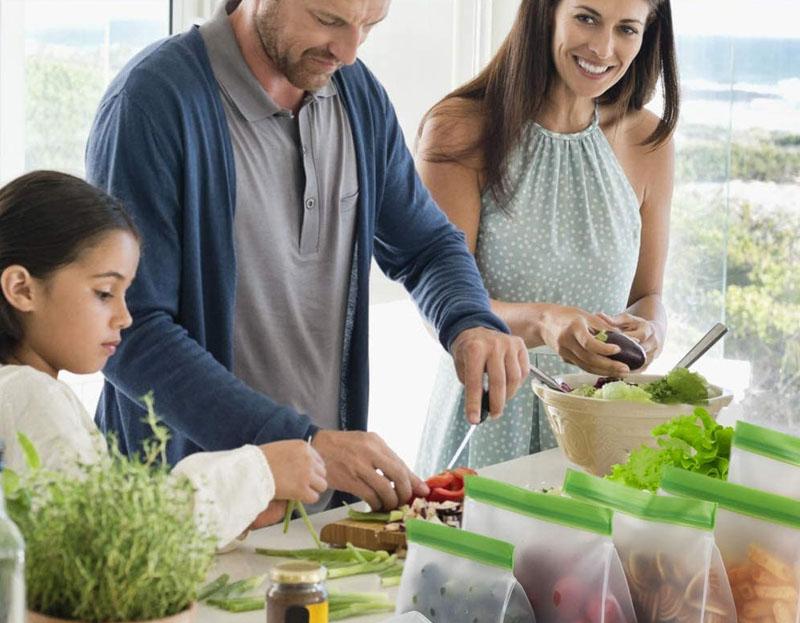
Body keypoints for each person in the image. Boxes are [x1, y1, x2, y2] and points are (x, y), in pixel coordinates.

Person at [85, 0, 530, 512]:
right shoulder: (153, 103)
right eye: (328, 20)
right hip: (186, 516)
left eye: (369, 27)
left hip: (320, 502)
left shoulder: (357, 95)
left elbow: (425, 245)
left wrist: (470, 320)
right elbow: (129, 331)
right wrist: (301, 440)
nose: (349, 51)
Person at [415, 0, 679, 474]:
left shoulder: (647, 141)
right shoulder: (462, 130)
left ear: (647, 36)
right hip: (492, 413)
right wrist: (546, 322)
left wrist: (651, 331)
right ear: (545, 13)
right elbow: (442, 304)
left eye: (626, 29)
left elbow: (647, 295)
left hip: (596, 427)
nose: (603, 47)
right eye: (586, 17)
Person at [0, 170, 327, 548]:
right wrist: (259, 473)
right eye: (105, 293)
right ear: (21, 289)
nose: (124, 317)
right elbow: (110, 544)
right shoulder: (30, 395)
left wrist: (238, 511)